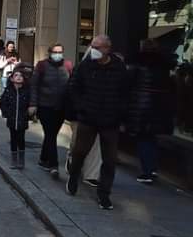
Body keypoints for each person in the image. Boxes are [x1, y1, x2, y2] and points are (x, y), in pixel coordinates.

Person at [66, 35, 129, 210]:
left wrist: (120, 114)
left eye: (96, 47)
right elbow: (73, 86)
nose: (92, 49)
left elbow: (126, 93)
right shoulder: (86, 65)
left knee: (109, 159)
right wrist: (82, 106)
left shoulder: (119, 67)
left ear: (107, 49)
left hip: (111, 121)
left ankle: (104, 194)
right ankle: (73, 176)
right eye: (91, 46)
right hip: (88, 118)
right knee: (80, 152)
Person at [126, 39, 175, 184]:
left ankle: (147, 172)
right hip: (159, 107)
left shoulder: (138, 63)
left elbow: (129, 82)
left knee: (143, 138)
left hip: (141, 106)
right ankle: (152, 168)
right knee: (151, 138)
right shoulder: (164, 65)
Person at [30, 43, 73, 178]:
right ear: (50, 53)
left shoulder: (68, 65)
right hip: (45, 106)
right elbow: (34, 85)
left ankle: (43, 158)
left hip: (61, 107)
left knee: (52, 134)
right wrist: (33, 104)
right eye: (55, 52)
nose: (58, 54)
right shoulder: (42, 65)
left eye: (60, 51)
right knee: (50, 133)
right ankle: (53, 165)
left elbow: (72, 84)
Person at [0, 69, 34, 169]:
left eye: (21, 76)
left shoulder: (27, 91)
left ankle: (21, 160)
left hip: (22, 119)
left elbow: (30, 104)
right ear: (12, 78)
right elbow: (3, 103)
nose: (19, 77)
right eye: (16, 75)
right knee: (13, 139)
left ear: (23, 79)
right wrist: (6, 113)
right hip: (12, 119)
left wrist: (29, 115)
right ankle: (14, 160)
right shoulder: (8, 90)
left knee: (21, 139)